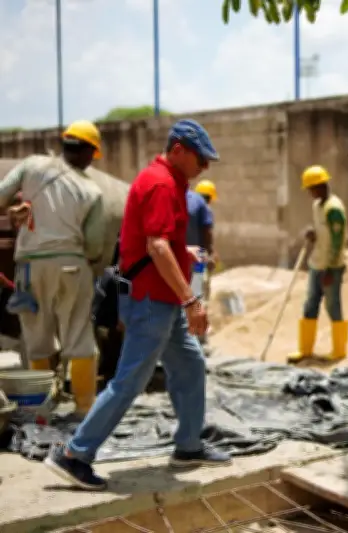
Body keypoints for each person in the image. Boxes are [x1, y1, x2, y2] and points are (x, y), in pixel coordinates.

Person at [45, 119, 231, 491]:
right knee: (130, 380)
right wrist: (192, 299)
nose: (205, 167)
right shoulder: (162, 183)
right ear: (178, 150)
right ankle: (74, 454)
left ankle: (188, 444)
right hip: (152, 300)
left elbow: (162, 242)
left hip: (161, 298)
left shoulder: (170, 181)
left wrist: (186, 253)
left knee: (191, 364)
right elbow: (156, 247)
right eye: (201, 158)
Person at [0, 120, 105, 417]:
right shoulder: (91, 190)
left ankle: (41, 408)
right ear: (89, 153)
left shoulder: (32, 165)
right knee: (79, 336)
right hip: (72, 265)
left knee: (37, 338)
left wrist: (12, 212)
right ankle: (85, 409)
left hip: (31, 267)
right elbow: (95, 245)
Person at [287, 165, 348, 364]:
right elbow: (322, 231)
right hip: (316, 262)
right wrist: (312, 234)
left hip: (332, 266)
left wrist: (331, 268)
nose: (309, 193)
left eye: (311, 189)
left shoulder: (334, 209)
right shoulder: (317, 206)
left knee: (333, 306)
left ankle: (338, 351)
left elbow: (338, 241)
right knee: (310, 305)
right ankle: (305, 349)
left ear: (320, 186)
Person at [186, 179, 217, 345]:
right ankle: (199, 336)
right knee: (198, 296)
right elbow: (208, 234)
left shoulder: (183, 201)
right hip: (197, 261)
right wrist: (210, 255)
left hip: (177, 259)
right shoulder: (203, 207)